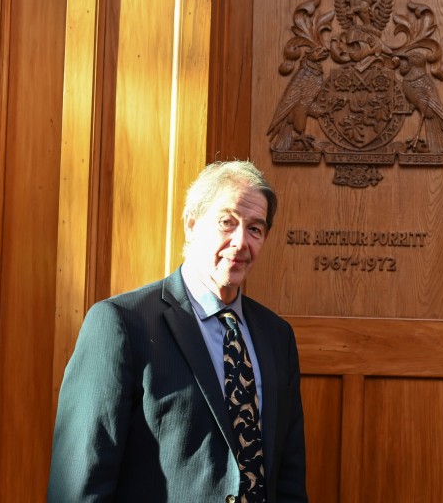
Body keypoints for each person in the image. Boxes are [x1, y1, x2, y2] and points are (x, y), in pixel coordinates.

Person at [48, 161, 307, 502]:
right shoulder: (121, 324)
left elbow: (288, 476)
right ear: (191, 224)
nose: (241, 242)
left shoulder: (277, 337)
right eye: (227, 222)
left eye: (255, 229)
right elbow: (80, 480)